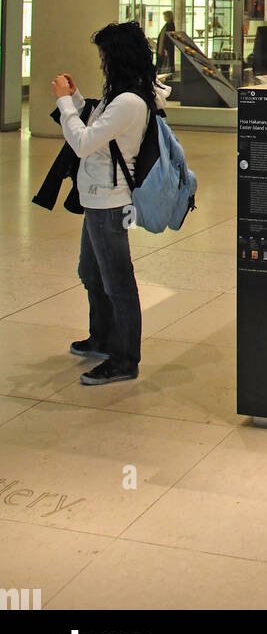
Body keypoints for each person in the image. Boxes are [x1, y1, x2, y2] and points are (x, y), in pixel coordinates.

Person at [51, 21, 169, 386]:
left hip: (110, 202)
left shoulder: (130, 102)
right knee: (91, 272)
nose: (101, 64)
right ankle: (102, 337)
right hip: (96, 198)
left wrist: (61, 104)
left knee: (118, 281)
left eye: (104, 57)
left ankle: (124, 358)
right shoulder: (120, 96)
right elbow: (97, 127)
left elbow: (84, 142)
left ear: (118, 58)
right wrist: (74, 99)